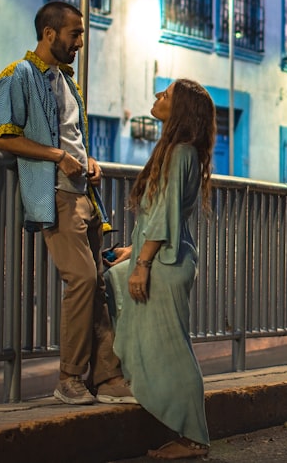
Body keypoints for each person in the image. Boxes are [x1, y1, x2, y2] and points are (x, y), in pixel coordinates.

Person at [0, 0, 135, 406]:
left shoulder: (67, 82)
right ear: (50, 33)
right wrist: (58, 157)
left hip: (84, 196)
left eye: (82, 34)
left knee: (100, 284)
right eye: (75, 34)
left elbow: (72, 139)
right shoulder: (17, 75)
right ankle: (69, 377)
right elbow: (4, 137)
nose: (80, 43)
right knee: (84, 280)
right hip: (54, 196)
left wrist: (88, 160)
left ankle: (106, 377)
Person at [105, 79, 215, 460]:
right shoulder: (177, 151)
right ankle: (118, 377)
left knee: (174, 350)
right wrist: (133, 253)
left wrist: (144, 264)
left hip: (166, 264)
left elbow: (167, 215)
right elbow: (158, 213)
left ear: (180, 109)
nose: (156, 97)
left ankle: (193, 439)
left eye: (165, 95)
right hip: (160, 256)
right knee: (111, 277)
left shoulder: (181, 153)